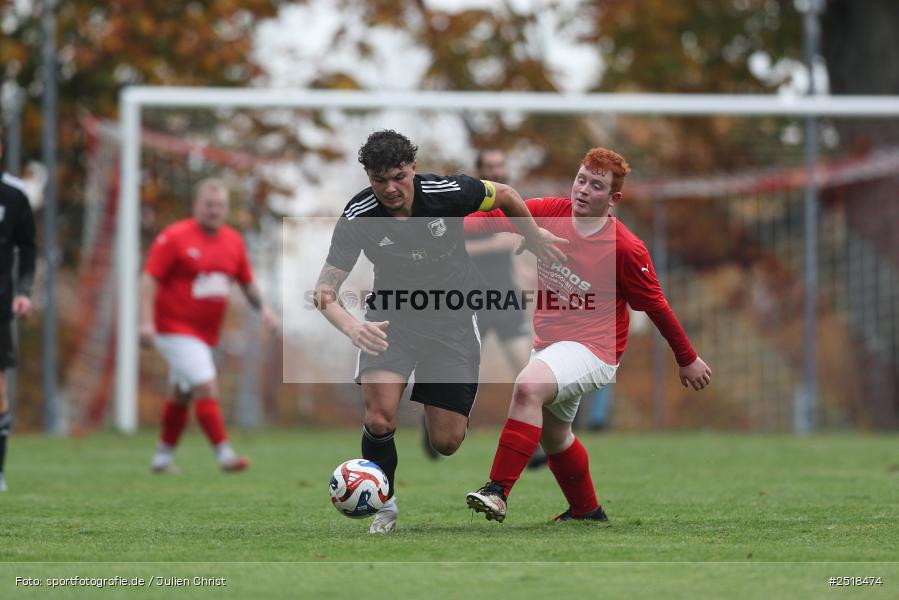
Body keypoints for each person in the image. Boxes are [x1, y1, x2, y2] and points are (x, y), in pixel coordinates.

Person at [313, 129, 565, 533]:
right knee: (379, 419)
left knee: (446, 442)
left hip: (452, 321)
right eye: (379, 180)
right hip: (389, 322)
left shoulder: (447, 191)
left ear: (413, 167)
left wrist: (532, 236)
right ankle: (385, 505)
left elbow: (504, 194)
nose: (390, 188)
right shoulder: (358, 216)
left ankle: (426, 401)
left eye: (399, 176)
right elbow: (325, 291)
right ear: (368, 178)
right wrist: (353, 327)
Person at [465, 147, 712, 523]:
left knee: (528, 386)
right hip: (550, 346)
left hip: (596, 350)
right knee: (555, 436)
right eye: (581, 179)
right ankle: (587, 511)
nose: (582, 190)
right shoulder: (549, 211)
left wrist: (687, 357)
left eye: (595, 186)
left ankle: (496, 491)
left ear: (613, 200)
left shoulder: (625, 248)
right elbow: (492, 219)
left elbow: (657, 307)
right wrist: (435, 224)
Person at [140, 179, 278, 474]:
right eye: (209, 205)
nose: (215, 210)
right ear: (197, 206)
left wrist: (264, 308)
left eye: (220, 206)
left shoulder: (233, 241)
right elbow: (149, 279)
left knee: (182, 392)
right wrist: (145, 323)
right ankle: (225, 455)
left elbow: (246, 282)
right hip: (173, 327)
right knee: (205, 384)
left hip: (204, 334)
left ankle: (162, 458)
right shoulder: (174, 237)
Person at [420, 148, 532, 460]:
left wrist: (519, 268)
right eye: (491, 167)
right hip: (470, 299)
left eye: (501, 165)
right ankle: (434, 418)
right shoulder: (466, 204)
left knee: (527, 373)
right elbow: (451, 248)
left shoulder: (508, 203)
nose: (498, 172)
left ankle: (531, 440)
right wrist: (496, 244)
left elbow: (513, 244)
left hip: (505, 297)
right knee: (460, 373)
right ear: (480, 171)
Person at [0, 127, 36, 492]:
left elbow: (28, 248)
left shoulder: (13, 195)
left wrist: (24, 290)